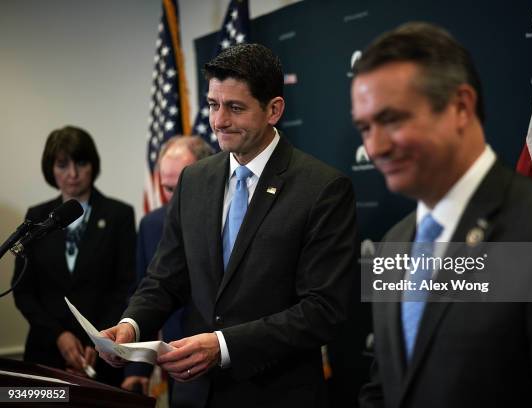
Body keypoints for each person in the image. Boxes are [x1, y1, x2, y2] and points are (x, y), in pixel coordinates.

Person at [351, 22, 532, 408]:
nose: (376, 146)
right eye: (365, 127)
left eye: (392, 120)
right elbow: (386, 388)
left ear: (460, 107)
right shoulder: (392, 243)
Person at [99, 43, 358, 407]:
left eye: (235, 108)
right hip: (194, 393)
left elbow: (323, 310)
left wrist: (222, 346)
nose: (219, 121)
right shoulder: (194, 180)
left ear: (274, 110)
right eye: (213, 105)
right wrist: (131, 326)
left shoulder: (322, 188)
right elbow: (165, 278)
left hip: (276, 394)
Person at [12, 125, 136, 386]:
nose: (73, 174)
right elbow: (23, 291)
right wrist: (58, 334)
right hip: (45, 353)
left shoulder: (119, 215)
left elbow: (125, 286)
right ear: (50, 169)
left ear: (93, 165)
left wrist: (100, 339)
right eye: (62, 165)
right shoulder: (36, 217)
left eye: (81, 163)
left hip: (102, 355)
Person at [122, 135, 213, 395]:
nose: (174, 199)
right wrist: (137, 370)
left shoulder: (233, 218)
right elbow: (145, 294)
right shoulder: (151, 225)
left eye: (181, 186)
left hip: (229, 363)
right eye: (168, 188)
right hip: (178, 368)